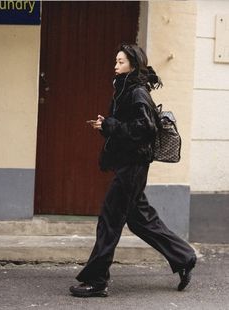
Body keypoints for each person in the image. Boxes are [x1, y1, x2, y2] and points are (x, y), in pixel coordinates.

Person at [70, 44, 196, 298]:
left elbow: (145, 128)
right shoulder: (127, 90)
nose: (115, 66)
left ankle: (97, 281)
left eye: (120, 62)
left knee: (110, 220)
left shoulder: (136, 91)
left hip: (133, 166)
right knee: (141, 220)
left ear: (133, 65)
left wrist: (112, 125)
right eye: (115, 61)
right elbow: (129, 127)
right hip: (131, 165)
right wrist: (106, 125)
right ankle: (184, 257)